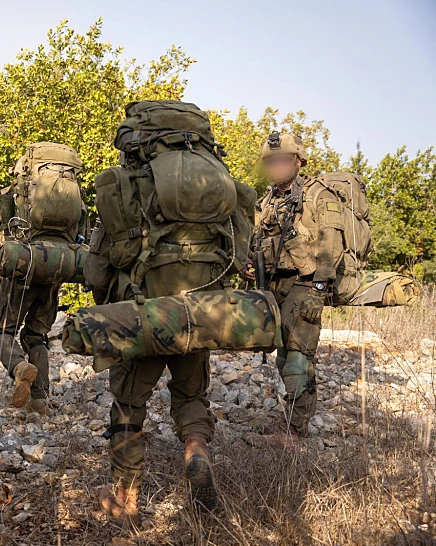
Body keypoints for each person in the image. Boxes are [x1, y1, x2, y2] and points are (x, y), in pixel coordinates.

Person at [86, 100, 257, 522]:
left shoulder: (127, 184)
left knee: (128, 404)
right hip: (201, 313)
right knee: (191, 395)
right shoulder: (224, 188)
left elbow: (96, 269)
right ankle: (196, 451)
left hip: (143, 314)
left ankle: (126, 500)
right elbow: (240, 258)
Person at [0, 143, 87, 415]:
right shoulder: (77, 201)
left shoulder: (12, 196)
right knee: (37, 336)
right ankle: (39, 400)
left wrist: (8, 251)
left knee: (2, 332)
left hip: (22, 268)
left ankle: (18, 368)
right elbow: (81, 236)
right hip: (56, 270)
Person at [250, 132, 345, 438]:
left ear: (298, 161)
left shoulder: (318, 195)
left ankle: (296, 431)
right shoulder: (266, 200)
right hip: (275, 284)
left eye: (282, 160)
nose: (276, 166)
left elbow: (331, 246)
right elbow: (256, 241)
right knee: (282, 354)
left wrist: (319, 291)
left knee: (298, 357)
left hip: (306, 284)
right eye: (271, 161)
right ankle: (291, 418)